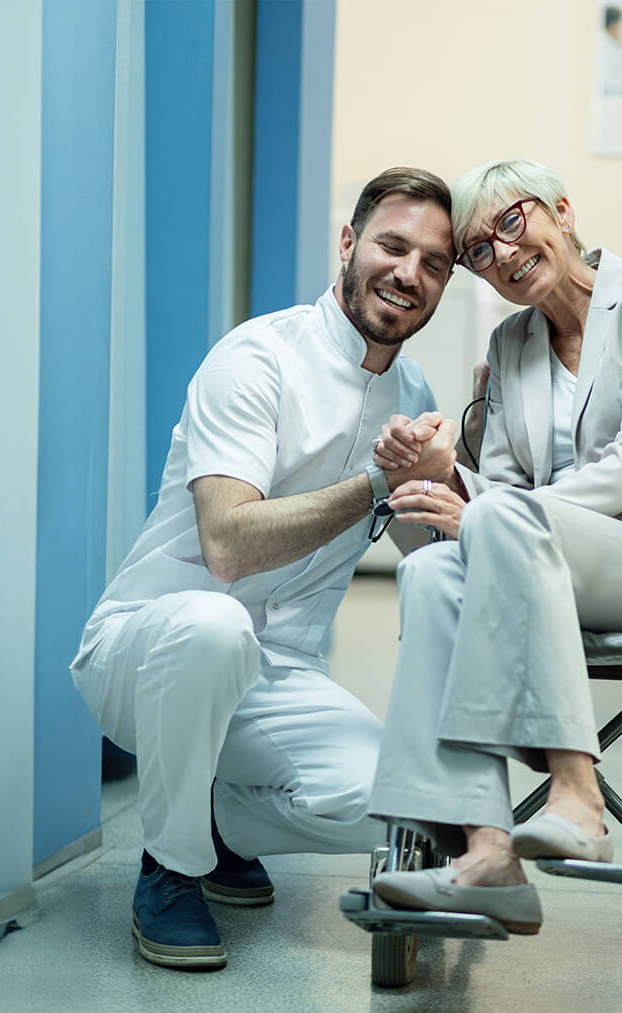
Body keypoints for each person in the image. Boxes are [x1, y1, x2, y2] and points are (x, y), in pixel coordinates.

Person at [69, 167, 460, 970]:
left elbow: (423, 549)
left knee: (414, 813)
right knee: (215, 625)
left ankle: (217, 823)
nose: (408, 273)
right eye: (393, 246)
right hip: (151, 647)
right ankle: (171, 871)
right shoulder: (257, 358)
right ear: (349, 245)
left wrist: (450, 494)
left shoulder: (414, 391)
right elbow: (228, 547)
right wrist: (377, 484)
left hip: (279, 672)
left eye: (433, 263)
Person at [359, 158, 622, 934]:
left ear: (562, 212)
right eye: (477, 250)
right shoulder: (512, 344)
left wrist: (494, 509)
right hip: (541, 565)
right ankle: (485, 848)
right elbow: (500, 481)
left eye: (512, 223)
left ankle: (579, 795)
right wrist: (440, 470)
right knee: (434, 570)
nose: (501, 254)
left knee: (500, 520)